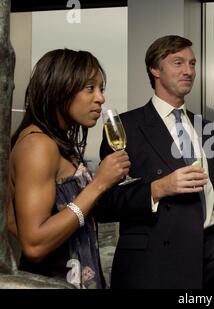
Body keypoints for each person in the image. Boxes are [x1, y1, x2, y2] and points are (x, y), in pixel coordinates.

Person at [96, 35, 214, 289]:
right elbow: (104, 203)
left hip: (208, 263)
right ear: (155, 69)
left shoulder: (206, 128)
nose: (189, 71)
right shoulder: (126, 127)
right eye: (178, 63)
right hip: (153, 267)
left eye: (192, 64)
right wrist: (158, 189)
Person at [8, 49, 130, 289]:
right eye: (89, 88)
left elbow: (14, 223)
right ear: (60, 88)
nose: (100, 98)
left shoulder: (58, 143)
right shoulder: (38, 145)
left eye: (101, 89)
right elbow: (33, 245)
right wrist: (98, 184)